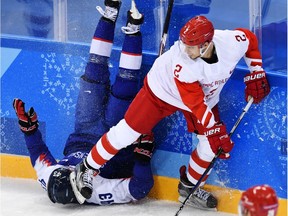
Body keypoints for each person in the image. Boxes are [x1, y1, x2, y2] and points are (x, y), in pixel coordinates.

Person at [74, 14, 271, 211]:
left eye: (191, 46)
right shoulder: (183, 64)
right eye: (184, 44)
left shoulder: (231, 43)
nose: (186, 49)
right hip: (161, 92)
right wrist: (214, 129)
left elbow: (250, 40)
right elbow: (195, 103)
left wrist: (257, 71)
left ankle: (189, 188)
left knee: (210, 147)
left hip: (204, 99)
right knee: (127, 132)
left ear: (206, 44)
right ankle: (87, 168)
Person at [12, 0, 154, 205]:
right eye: (69, 173)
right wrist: (142, 159)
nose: (67, 169)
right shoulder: (95, 191)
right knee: (125, 83)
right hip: (113, 137)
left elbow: (38, 154)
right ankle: (133, 28)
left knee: (94, 70)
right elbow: (139, 189)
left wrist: (29, 131)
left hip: (84, 128)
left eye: (63, 170)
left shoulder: (49, 177)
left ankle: (110, 12)